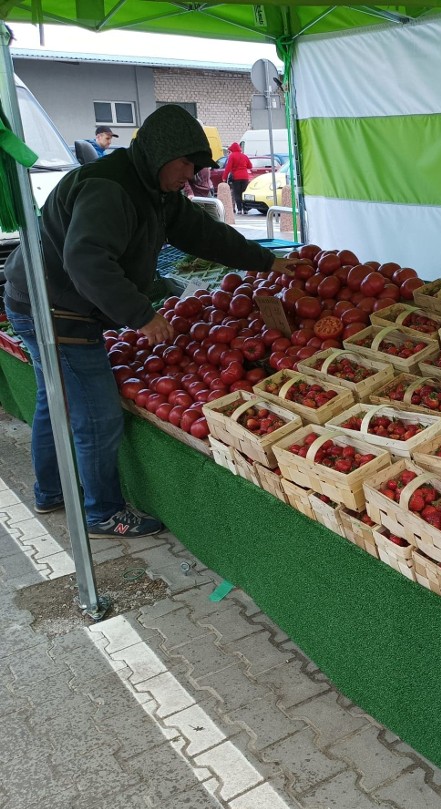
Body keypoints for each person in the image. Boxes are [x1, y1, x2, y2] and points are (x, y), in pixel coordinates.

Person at [3, 104, 299, 539]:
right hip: (53, 309)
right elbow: (86, 261)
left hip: (48, 299)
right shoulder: (110, 189)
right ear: (162, 154)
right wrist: (141, 314)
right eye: (187, 164)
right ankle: (102, 510)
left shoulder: (154, 190)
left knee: (57, 398)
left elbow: (204, 234)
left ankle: (52, 490)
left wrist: (265, 261)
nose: (192, 175)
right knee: (98, 414)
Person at [222, 142, 252, 214]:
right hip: (245, 177)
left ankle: (239, 209)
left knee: (237, 193)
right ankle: (245, 209)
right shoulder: (244, 156)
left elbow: (228, 168)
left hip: (236, 177)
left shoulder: (232, 156)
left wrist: (224, 177)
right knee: (244, 193)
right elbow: (250, 166)